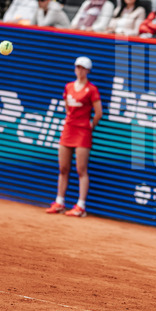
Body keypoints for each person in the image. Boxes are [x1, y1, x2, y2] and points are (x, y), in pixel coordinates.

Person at [46, 56, 103, 219]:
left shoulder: (92, 90)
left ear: (88, 71)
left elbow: (98, 112)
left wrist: (90, 126)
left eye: (83, 68)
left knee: (81, 170)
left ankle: (81, 206)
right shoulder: (68, 87)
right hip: (68, 130)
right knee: (63, 168)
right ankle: (59, 202)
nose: (79, 70)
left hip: (83, 132)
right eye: (77, 67)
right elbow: (67, 108)